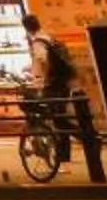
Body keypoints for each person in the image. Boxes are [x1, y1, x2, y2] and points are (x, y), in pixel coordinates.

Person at [24, 12, 80, 166]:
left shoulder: (37, 42)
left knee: (57, 119)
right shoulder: (47, 37)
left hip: (51, 84)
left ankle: (86, 138)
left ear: (26, 28)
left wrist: (43, 80)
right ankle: (65, 154)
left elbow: (44, 59)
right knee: (59, 117)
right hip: (61, 83)